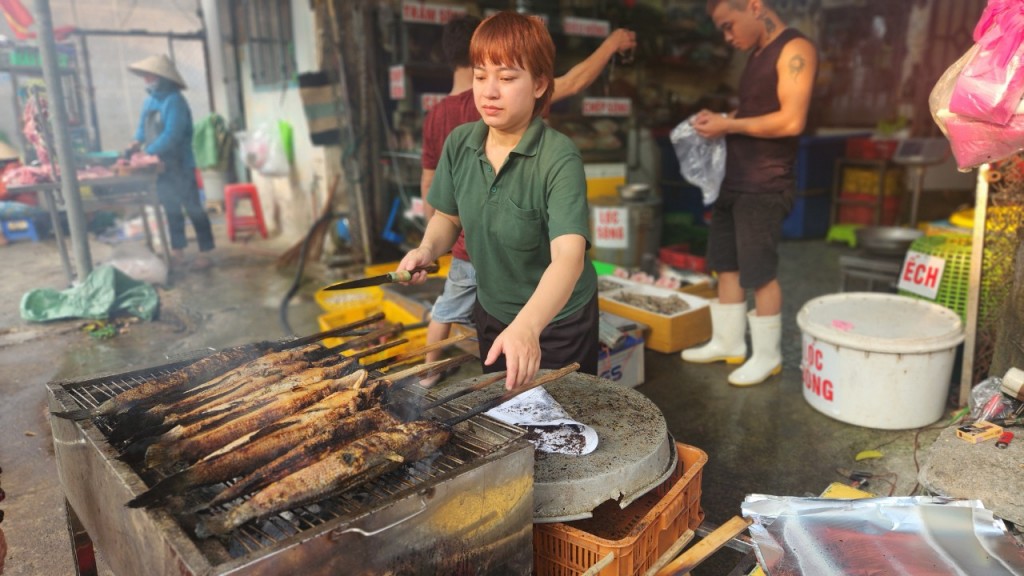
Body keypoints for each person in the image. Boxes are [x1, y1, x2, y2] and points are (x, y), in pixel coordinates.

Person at [419, 15, 636, 386]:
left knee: (564, 424)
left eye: (505, 78)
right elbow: (447, 216)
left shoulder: (558, 157)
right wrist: (426, 249)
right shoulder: (459, 143)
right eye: (480, 75)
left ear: (539, 84)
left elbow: (568, 258)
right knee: (507, 418)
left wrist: (528, 327)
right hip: (491, 311)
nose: (489, 91)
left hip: (556, 322)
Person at [680, 0, 817, 386]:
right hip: (734, 178)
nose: (727, 36)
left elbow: (791, 120)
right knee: (726, 264)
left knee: (759, 273)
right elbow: (760, 112)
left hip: (765, 183)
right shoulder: (757, 53)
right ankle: (728, 342)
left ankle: (768, 356)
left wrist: (729, 124)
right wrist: (723, 121)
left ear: (754, 6)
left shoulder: (795, 49)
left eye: (728, 25)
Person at [127, 55, 215, 269]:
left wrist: (148, 152)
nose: (147, 79)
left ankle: (205, 253)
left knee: (193, 209)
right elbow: (142, 128)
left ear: (162, 78)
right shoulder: (149, 101)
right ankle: (178, 253)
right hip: (161, 166)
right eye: (146, 76)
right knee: (171, 209)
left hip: (181, 164)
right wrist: (135, 144)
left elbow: (173, 134)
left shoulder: (175, 101)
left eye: (151, 76)